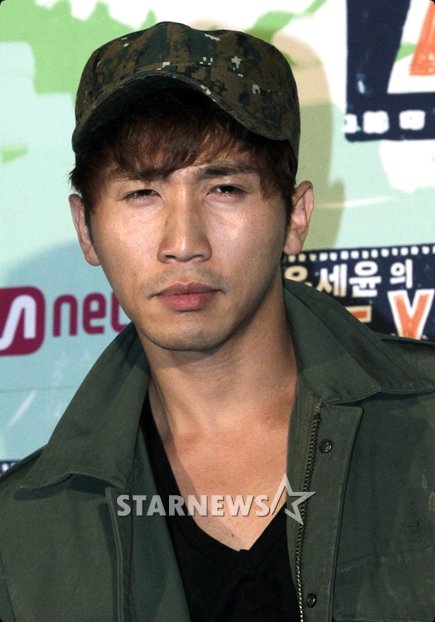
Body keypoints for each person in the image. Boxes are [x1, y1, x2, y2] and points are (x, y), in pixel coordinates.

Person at [0, 20, 434, 622]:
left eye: (225, 188)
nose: (183, 242)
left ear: (296, 216)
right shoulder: (25, 530)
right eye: (142, 193)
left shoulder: (424, 423)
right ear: (86, 229)